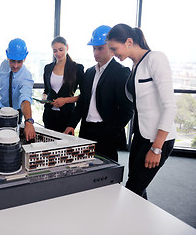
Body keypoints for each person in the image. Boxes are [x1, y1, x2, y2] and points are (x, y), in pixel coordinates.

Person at [106, 23, 177, 199]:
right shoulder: (135, 65)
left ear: (129, 42)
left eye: (114, 49)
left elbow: (170, 106)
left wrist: (157, 148)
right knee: (136, 184)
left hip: (157, 139)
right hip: (140, 135)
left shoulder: (155, 58)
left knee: (133, 190)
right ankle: (142, 223)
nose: (113, 54)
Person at [65, 25, 133, 162]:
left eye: (100, 48)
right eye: (94, 48)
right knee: (84, 169)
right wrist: (72, 124)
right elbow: (82, 102)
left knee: (107, 173)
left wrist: (111, 131)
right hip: (86, 130)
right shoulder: (89, 72)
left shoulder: (121, 72)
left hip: (106, 132)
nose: (96, 52)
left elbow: (127, 110)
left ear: (110, 47)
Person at [42, 36, 84, 133]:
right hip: (49, 115)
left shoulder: (77, 68)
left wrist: (65, 100)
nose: (58, 53)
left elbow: (84, 96)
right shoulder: (48, 68)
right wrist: (44, 98)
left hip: (67, 116)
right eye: (55, 51)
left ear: (67, 48)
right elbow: (46, 91)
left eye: (61, 49)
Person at [0, 38, 36, 141]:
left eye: (19, 61)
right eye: (12, 61)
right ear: (7, 55)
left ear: (25, 58)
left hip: (15, 112)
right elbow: (2, 83)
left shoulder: (26, 76)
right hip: (0, 107)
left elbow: (25, 99)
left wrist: (28, 121)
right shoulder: (3, 65)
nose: (15, 65)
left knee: (12, 140)